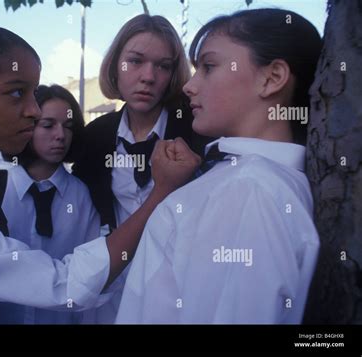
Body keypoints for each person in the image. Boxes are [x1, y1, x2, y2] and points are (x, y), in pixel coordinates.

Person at [0, 19, 201, 324]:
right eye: (15, 93)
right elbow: (62, 285)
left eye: (33, 93)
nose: (35, 111)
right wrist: (160, 193)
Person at [116, 8, 322, 324]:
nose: (188, 85)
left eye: (209, 67)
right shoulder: (250, 180)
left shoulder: (250, 189)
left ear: (271, 78)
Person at [73, 14, 211, 324]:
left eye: (163, 66)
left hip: (182, 289)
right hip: (112, 291)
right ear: (114, 66)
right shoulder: (95, 136)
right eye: (135, 61)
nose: (148, 76)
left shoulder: (198, 128)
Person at [0, 84, 100, 324]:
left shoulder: (81, 196)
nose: (60, 135)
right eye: (47, 125)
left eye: (68, 127)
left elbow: (89, 271)